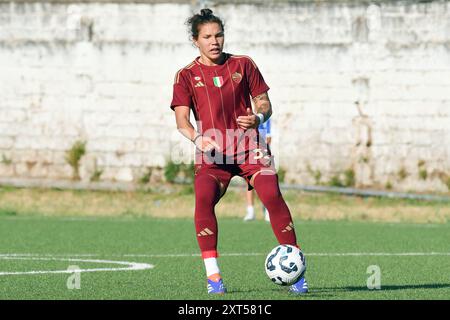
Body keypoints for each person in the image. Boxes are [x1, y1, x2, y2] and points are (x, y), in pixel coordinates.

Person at [170, 8, 308, 294]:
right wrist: (197, 139)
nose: (214, 41)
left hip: (248, 147)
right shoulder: (185, 76)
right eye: (207, 36)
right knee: (203, 199)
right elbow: (182, 122)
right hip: (213, 153)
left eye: (218, 34)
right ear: (195, 40)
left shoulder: (243, 65)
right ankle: (214, 277)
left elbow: (265, 104)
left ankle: (296, 272)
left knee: (271, 194)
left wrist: (257, 118)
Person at [244, 118, 271, 222]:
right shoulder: (245, 115)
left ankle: (268, 211)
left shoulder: (264, 117)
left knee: (267, 182)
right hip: (249, 150)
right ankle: (250, 211)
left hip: (262, 151)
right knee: (249, 183)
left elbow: (269, 138)